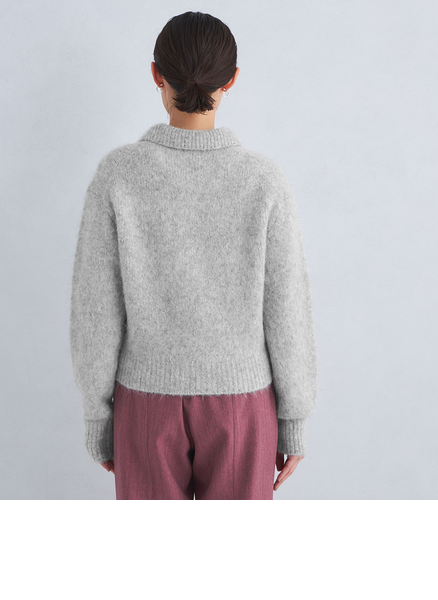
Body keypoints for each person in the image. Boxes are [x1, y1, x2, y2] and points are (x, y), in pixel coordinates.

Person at [70, 11, 317, 500]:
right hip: (243, 404)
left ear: (156, 74)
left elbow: (96, 310)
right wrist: (293, 419)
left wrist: (98, 415)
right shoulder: (263, 181)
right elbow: (287, 310)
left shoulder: (119, 175)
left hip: (145, 402)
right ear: (232, 80)